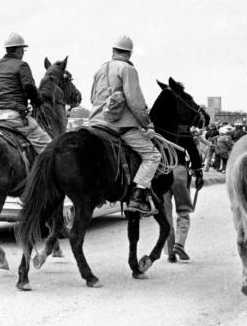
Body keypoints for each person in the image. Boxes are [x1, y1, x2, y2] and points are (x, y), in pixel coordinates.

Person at [86, 35, 160, 215]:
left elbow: (92, 98)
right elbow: (135, 101)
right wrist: (147, 123)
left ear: (113, 51)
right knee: (153, 155)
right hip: (119, 126)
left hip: (95, 123)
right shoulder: (128, 69)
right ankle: (137, 197)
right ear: (129, 53)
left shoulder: (100, 69)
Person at [0, 33, 51, 154]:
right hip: (15, 118)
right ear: (19, 50)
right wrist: (37, 101)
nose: (23, 52)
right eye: (23, 50)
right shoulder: (22, 65)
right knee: (49, 150)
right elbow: (29, 86)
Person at [163, 117, 205, 263]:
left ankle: (169, 251)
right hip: (179, 171)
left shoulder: (158, 128)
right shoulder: (183, 130)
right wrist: (199, 174)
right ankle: (179, 244)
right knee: (183, 211)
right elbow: (194, 154)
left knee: (165, 214)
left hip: (161, 172)